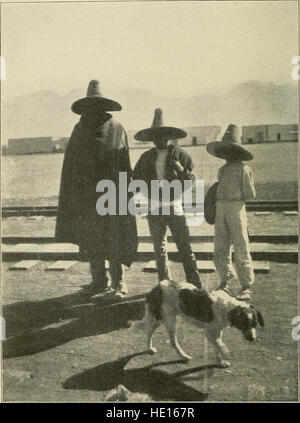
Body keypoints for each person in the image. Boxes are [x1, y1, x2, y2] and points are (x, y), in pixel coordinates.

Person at [55, 80, 138, 297]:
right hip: (87, 197)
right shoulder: (79, 129)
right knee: (91, 239)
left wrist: (125, 194)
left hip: (111, 195)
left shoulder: (117, 129)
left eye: (97, 104)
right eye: (90, 105)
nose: (94, 109)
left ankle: (119, 283)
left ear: (103, 106)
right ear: (85, 107)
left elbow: (124, 163)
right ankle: (99, 280)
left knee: (114, 238)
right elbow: (71, 165)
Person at [133, 108, 202, 288]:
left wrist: (179, 170)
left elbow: (190, 180)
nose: (159, 140)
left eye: (162, 136)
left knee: (184, 247)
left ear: (169, 137)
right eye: (156, 137)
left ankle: (195, 284)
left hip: (174, 206)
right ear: (152, 138)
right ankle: (164, 285)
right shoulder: (146, 157)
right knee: (160, 249)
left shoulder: (180, 155)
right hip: (154, 207)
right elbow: (136, 180)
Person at [206, 124, 256, 301]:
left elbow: (249, 193)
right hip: (221, 208)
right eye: (224, 151)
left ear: (237, 152)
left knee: (241, 245)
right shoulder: (222, 170)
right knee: (220, 247)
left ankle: (246, 285)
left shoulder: (244, 169)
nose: (227, 154)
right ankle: (225, 281)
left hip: (236, 208)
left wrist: (234, 201)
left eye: (230, 151)